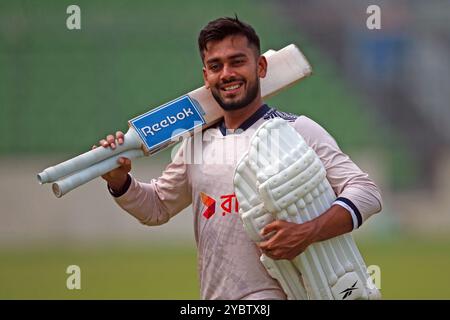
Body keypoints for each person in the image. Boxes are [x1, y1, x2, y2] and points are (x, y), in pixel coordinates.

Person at [94, 17, 382, 300]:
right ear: (206, 77)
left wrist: (308, 232)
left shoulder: (296, 130)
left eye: (237, 61)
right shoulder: (196, 142)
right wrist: (120, 181)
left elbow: (366, 192)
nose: (227, 73)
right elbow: (157, 207)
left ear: (260, 66)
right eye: (216, 66)